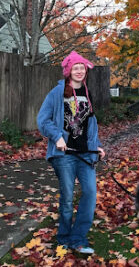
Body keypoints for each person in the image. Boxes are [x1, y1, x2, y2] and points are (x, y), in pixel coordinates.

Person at [37, 51, 105, 254]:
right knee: (67, 198)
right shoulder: (57, 93)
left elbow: (91, 124)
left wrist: (98, 146)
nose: (79, 71)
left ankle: (78, 239)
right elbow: (43, 120)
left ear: (85, 71)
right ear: (68, 70)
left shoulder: (87, 92)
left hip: (85, 154)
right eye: (75, 67)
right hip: (65, 156)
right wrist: (57, 136)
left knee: (90, 194)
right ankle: (64, 238)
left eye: (81, 68)